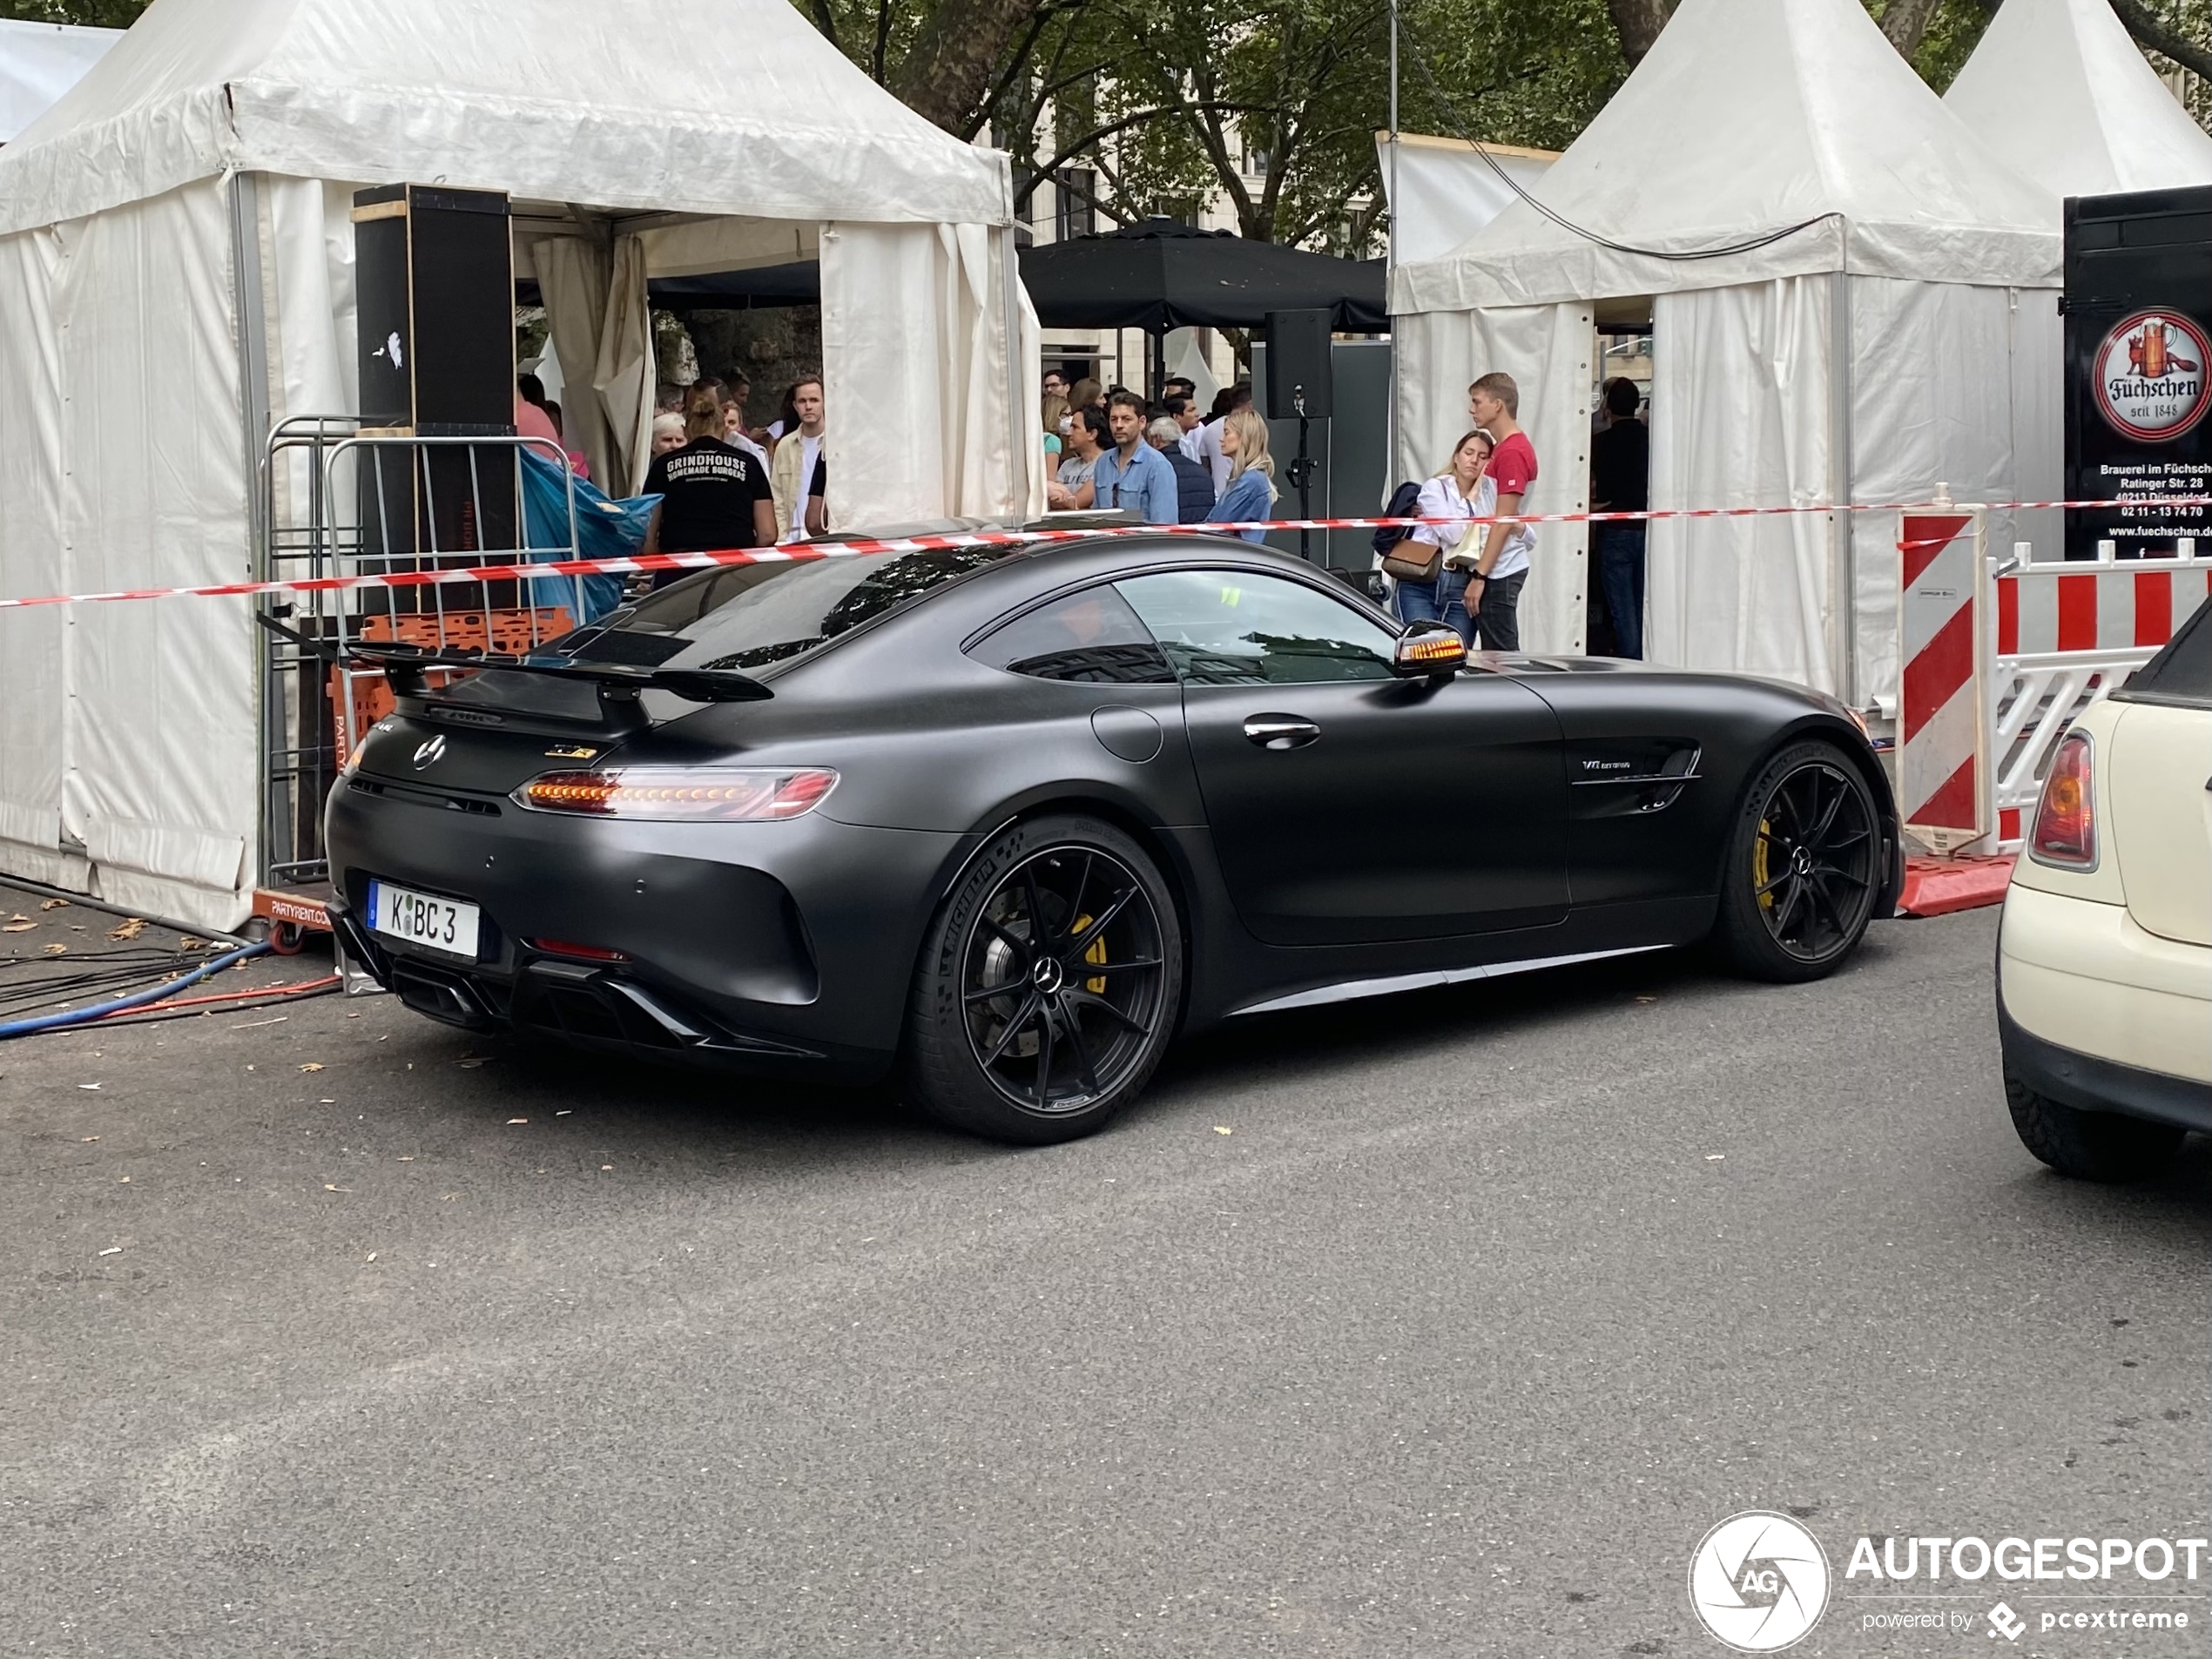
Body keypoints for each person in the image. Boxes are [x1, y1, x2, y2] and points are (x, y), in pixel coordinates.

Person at [640, 387, 775, 584]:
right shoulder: (749, 463)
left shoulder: (662, 465)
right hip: (735, 570)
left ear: (686, 430)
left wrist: (660, 560)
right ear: (724, 430)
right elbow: (768, 533)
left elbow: (647, 535)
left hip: (677, 573)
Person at [1390, 430, 1494, 647]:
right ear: (1456, 456)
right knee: (1421, 654)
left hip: (1462, 584)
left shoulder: (1491, 497)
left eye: (1483, 457)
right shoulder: (1435, 487)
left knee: (1456, 658)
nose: (1474, 460)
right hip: (1421, 581)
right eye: (1469, 452)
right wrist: (1472, 497)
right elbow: (1452, 534)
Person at [1465, 371, 1537, 651]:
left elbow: (1503, 520)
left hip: (1499, 570)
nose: (1472, 409)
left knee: (1502, 660)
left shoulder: (1512, 452)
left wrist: (1480, 576)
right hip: (1496, 566)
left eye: (1477, 401)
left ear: (1497, 405)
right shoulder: (1506, 448)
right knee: (1497, 657)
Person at [1589, 377, 1649, 658]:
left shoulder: (1601, 444)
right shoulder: (1652, 440)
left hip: (1615, 530)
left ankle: (1631, 665)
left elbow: (1600, 491)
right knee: (1642, 604)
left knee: (1621, 609)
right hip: (1647, 529)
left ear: (1608, 407)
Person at [1094, 389, 1178, 523]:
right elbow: (1096, 516)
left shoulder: (1158, 465)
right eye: (1114, 419)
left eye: (1126, 419)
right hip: (1107, 542)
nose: (1119, 425)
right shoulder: (1103, 462)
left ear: (1142, 422)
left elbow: (1164, 525)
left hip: (1141, 543)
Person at [1205, 407, 1278, 543]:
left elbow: (1218, 523)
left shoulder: (1251, 481)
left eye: (1226, 433)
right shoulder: (1249, 478)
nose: (1221, 439)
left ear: (1244, 437)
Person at [770, 376, 826, 541]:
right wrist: (781, 540)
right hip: (793, 539)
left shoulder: (836, 445)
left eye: (814, 400)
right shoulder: (784, 446)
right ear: (795, 405)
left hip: (828, 536)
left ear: (824, 402)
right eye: (802, 401)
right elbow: (777, 498)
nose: (808, 406)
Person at [1148, 415, 1214, 523]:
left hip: (1170, 536)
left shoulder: (1155, 471)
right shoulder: (1202, 472)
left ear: (1156, 440)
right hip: (1201, 536)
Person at [1049, 403, 1108, 509]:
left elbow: (1078, 501)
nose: (1068, 432)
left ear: (1092, 434)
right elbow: (1052, 501)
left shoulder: (1106, 464)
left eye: (1075, 427)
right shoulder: (1068, 464)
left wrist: (1065, 500)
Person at [1195, 381, 1251, 492]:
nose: (1222, 439)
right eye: (1226, 432)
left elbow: (1205, 466)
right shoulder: (1255, 429)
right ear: (1250, 404)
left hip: (1218, 494)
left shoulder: (1210, 428)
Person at [721, 397, 770, 468]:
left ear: (740, 426)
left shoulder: (757, 453)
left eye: (732, 422)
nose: (726, 426)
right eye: (722, 423)